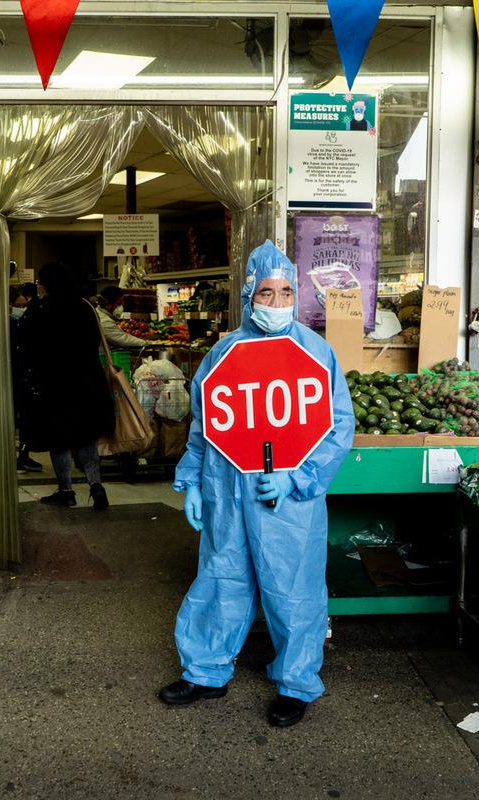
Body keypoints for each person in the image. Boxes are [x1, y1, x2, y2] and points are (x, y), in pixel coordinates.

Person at [158, 241, 355, 728]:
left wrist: (298, 478)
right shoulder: (223, 353)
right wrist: (192, 482)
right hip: (227, 490)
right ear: (249, 297)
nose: (277, 302)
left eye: (286, 291)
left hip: (288, 500)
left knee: (293, 588)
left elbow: (337, 426)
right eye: (266, 293)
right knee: (222, 579)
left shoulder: (316, 352)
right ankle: (205, 670)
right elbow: (204, 425)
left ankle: (296, 682)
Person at [21, 262, 115, 511]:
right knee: (86, 439)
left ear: (47, 284)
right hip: (88, 382)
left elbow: (30, 348)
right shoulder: (85, 306)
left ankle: (66, 491)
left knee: (59, 440)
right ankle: (97, 487)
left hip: (55, 385)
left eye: (41, 282)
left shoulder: (41, 309)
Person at [9, 286, 42, 473]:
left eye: (24, 305)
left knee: (26, 421)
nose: (22, 309)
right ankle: (18, 457)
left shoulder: (25, 324)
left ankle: (24, 455)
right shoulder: (8, 326)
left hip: (24, 378)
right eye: (18, 305)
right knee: (14, 419)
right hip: (11, 378)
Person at [95, 286, 149, 350]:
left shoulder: (101, 315)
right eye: (118, 303)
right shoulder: (103, 320)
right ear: (108, 304)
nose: (121, 307)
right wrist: (146, 343)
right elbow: (122, 339)